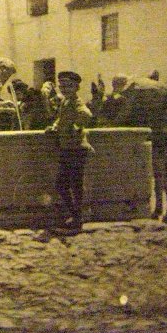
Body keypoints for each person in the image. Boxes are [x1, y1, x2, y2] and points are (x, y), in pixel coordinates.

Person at [45, 71, 94, 234]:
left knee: (74, 185)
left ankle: (77, 219)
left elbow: (86, 114)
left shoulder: (76, 102)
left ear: (76, 87)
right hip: (67, 148)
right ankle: (75, 216)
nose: (64, 88)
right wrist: (55, 126)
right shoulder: (66, 102)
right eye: (62, 86)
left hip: (77, 149)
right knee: (63, 184)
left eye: (68, 86)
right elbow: (62, 118)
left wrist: (76, 127)